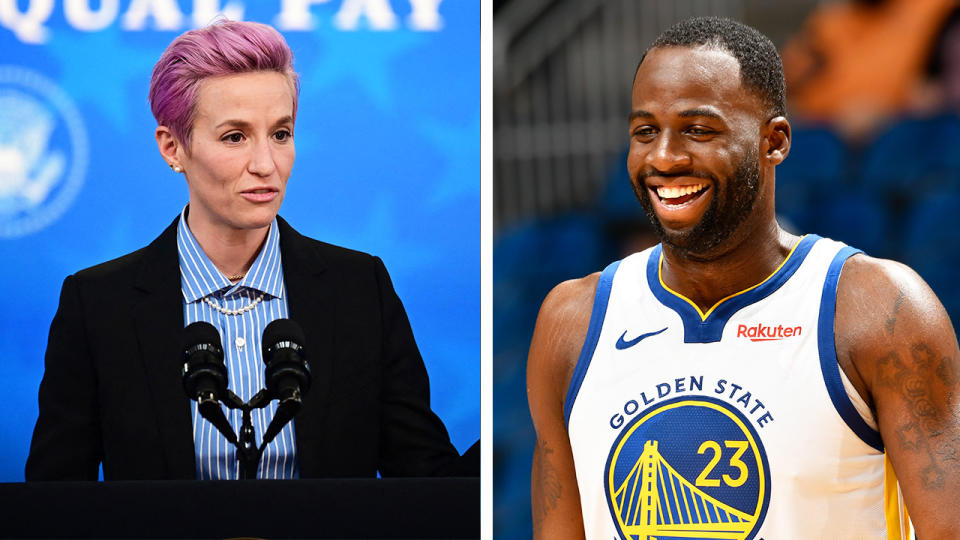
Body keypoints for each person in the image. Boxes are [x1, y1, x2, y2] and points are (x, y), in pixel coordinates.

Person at [527, 16, 960, 539]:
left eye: (698, 130)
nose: (664, 157)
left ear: (774, 142)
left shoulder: (881, 310)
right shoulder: (570, 323)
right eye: (645, 131)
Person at [26, 20, 471, 481]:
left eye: (280, 134)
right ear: (173, 147)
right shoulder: (98, 304)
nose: (265, 165)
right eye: (235, 137)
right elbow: (56, 501)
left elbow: (426, 483)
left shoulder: (361, 289)